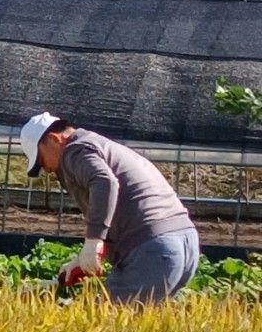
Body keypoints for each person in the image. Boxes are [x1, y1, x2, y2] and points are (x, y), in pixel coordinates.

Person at [21, 112, 200, 305]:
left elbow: (104, 181)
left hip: (154, 251)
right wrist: (82, 260)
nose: (46, 169)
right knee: (128, 325)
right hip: (184, 243)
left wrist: (93, 240)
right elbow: (127, 207)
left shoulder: (74, 151)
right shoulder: (102, 146)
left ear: (54, 139)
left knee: (98, 323)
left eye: (41, 160)